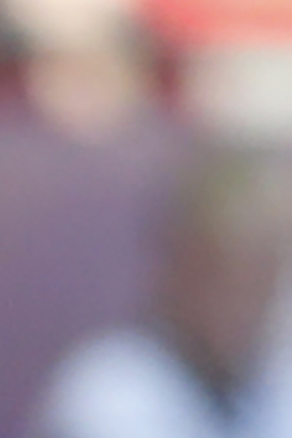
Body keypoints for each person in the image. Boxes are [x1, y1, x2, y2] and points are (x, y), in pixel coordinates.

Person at [34, 149, 292, 438]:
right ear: (176, 264)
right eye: (222, 270)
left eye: (260, 274)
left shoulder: (275, 385)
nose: (240, 300)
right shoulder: (106, 387)